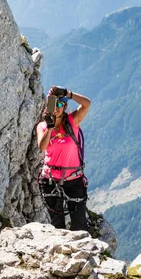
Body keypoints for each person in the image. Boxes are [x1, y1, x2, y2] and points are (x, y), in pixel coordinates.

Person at [36, 86, 91, 231]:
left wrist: (68, 93)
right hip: (50, 180)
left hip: (74, 180)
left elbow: (87, 104)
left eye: (60, 104)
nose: (57, 108)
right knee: (57, 225)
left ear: (65, 106)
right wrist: (49, 127)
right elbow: (42, 146)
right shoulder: (42, 126)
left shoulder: (73, 121)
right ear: (48, 106)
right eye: (54, 104)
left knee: (79, 224)